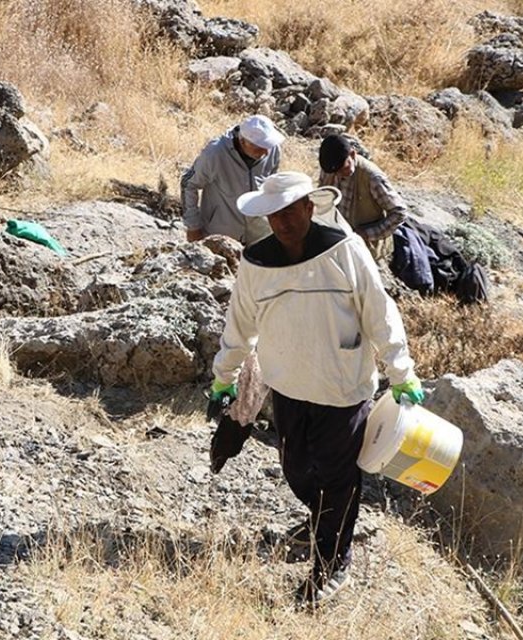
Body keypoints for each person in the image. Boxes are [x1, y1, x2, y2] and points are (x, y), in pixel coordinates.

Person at [207, 171, 425, 605]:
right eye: (275, 214)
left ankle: (331, 564)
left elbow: (379, 313)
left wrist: (402, 372)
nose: (283, 221)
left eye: (291, 210)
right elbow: (240, 326)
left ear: (310, 206)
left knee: (338, 478)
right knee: (296, 469)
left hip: (342, 388)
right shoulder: (256, 264)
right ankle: (323, 520)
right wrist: (224, 376)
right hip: (286, 385)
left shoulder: (346, 251)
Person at [181, 114, 284, 245]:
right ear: (243, 141)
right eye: (260, 147)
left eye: (268, 145)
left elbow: (270, 187)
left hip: (259, 235)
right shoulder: (215, 153)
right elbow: (188, 184)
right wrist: (193, 226)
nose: (266, 152)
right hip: (220, 238)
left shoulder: (273, 149)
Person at [317, 133, 409, 261]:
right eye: (335, 172)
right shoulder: (331, 168)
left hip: (366, 250)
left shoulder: (372, 178)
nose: (339, 175)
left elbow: (399, 213)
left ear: (353, 154)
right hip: (337, 243)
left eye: (344, 169)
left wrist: (366, 234)